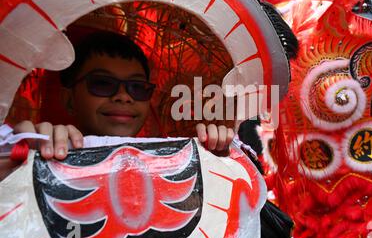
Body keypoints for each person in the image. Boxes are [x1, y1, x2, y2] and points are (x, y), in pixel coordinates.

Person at [11, 31, 235, 161]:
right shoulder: (43, 149)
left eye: (137, 87)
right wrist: (21, 156)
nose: (123, 96)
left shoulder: (174, 160)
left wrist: (217, 158)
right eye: (102, 83)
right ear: (69, 99)